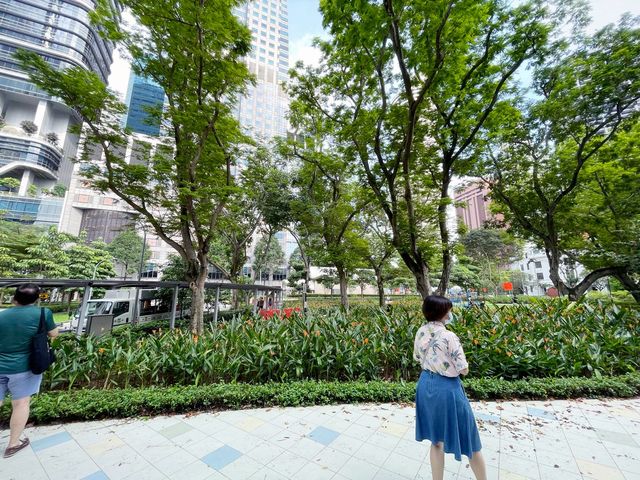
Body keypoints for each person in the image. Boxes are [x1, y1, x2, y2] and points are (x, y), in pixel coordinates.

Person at [413, 295, 487, 480]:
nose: (450, 312)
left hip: (425, 385)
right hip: (447, 389)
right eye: (449, 309)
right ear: (443, 313)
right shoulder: (449, 336)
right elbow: (463, 369)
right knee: (471, 440)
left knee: (436, 440)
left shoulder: (421, 331)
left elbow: (416, 357)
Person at [0, 283, 58, 458]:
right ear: (37, 298)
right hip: (24, 367)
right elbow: (54, 335)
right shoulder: (43, 313)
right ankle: (13, 444)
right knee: (21, 404)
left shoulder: (2, 315)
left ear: (14, 298)